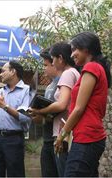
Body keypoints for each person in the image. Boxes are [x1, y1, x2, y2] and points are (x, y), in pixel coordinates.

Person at [54, 32, 111, 177]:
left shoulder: (91, 67)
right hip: (90, 137)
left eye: (75, 50)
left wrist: (61, 135)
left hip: (88, 137)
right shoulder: (96, 68)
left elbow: (79, 109)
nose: (72, 54)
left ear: (86, 49)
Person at [29, 42, 80, 177]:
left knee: (63, 172)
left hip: (63, 133)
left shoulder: (68, 74)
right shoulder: (74, 73)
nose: (52, 63)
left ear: (60, 58)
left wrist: (39, 111)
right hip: (62, 132)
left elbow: (62, 104)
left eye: (52, 60)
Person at [0, 60, 31, 177]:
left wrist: (4, 106)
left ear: (13, 71)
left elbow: (25, 118)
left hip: (14, 139)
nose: (0, 74)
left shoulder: (27, 90)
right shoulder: (0, 91)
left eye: (3, 71)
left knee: (15, 174)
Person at [31, 48, 60, 177]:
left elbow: (62, 109)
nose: (44, 69)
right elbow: (48, 117)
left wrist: (41, 112)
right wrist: (38, 116)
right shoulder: (49, 87)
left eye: (46, 65)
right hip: (47, 138)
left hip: (59, 138)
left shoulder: (65, 82)